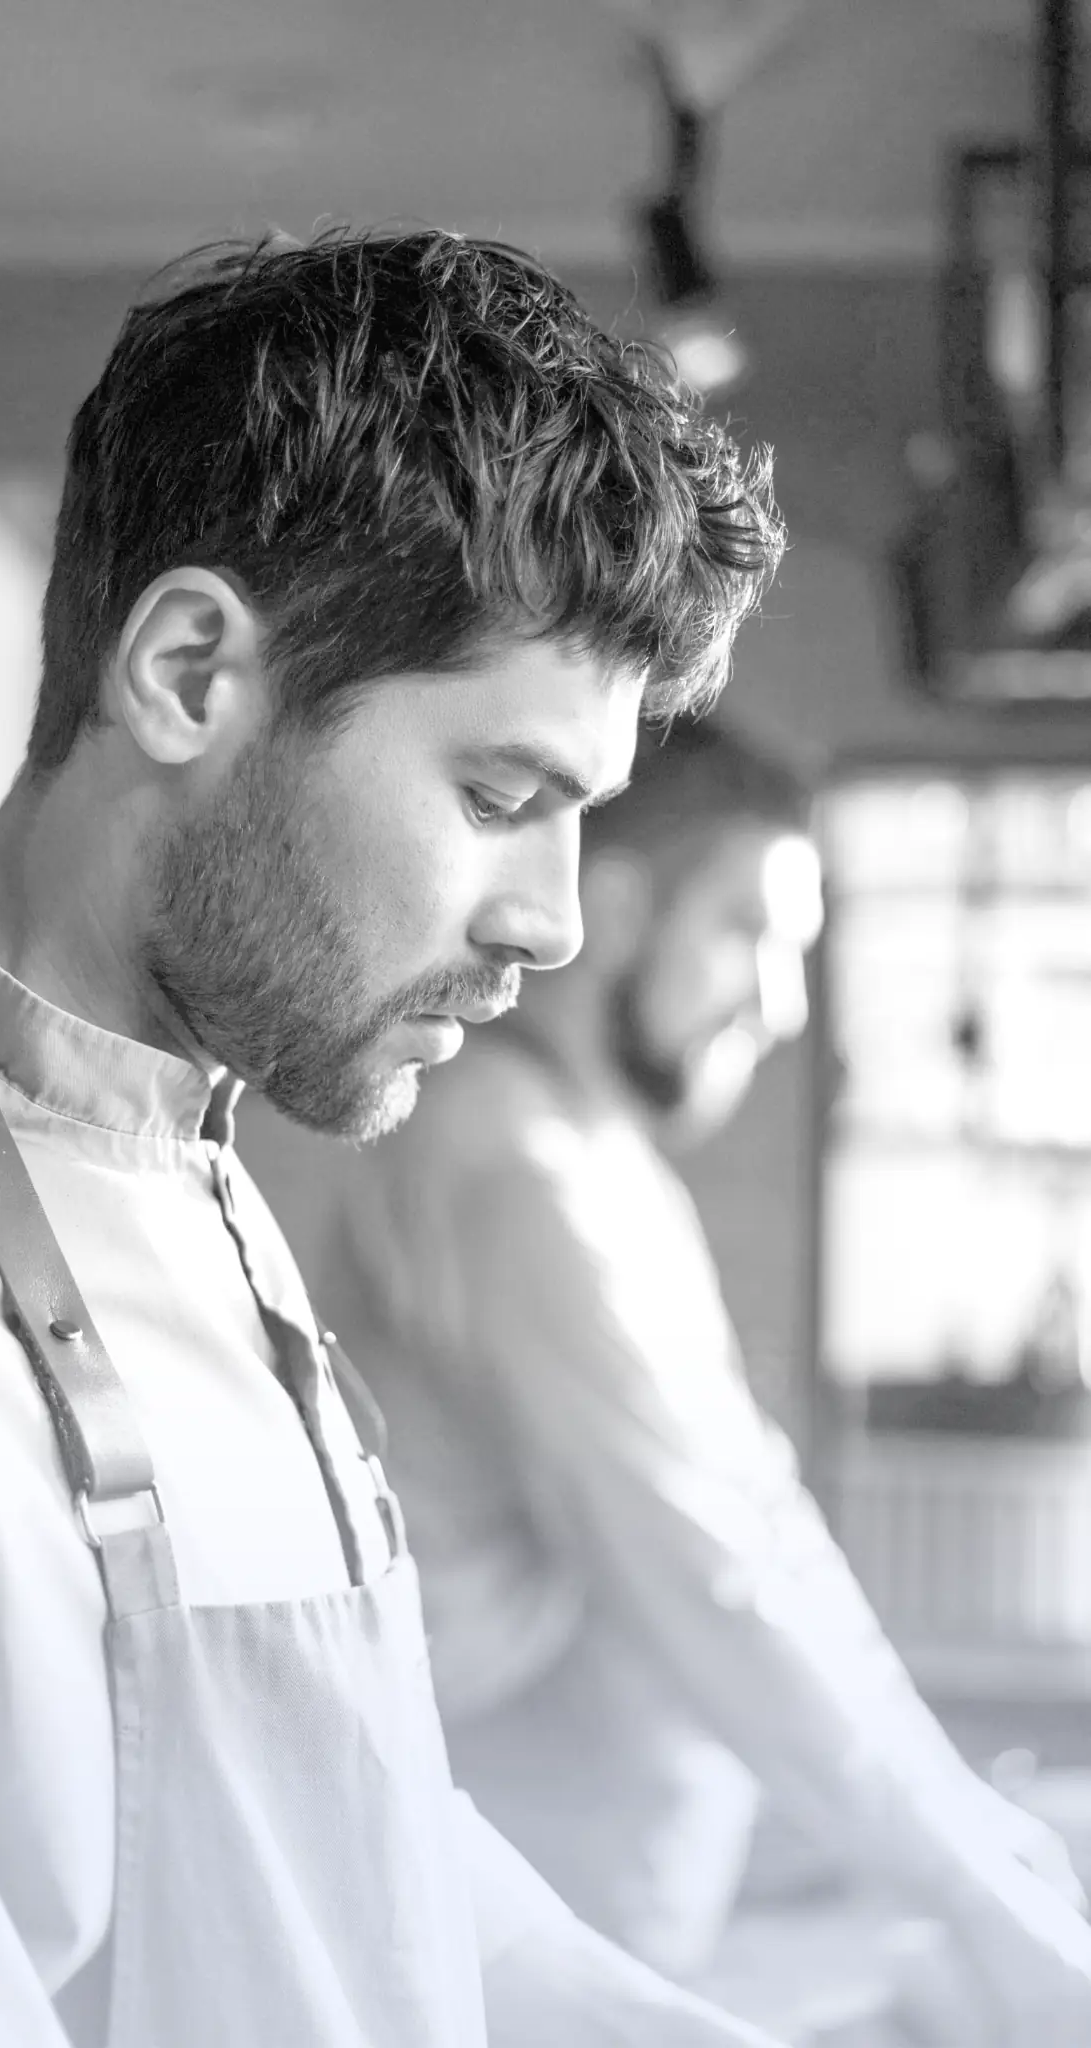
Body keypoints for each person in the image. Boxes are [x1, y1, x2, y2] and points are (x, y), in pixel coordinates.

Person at [0, 231, 794, 2048]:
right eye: (499, 797)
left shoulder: (181, 1171)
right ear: (192, 671)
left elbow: (355, 1859)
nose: (557, 922)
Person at [311, 714, 1091, 2046]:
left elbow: (770, 1538)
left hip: (637, 1920)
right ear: (615, 908)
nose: (783, 1005)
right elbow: (710, 1580)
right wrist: (974, 1893)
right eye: (751, 934)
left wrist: (973, 1836)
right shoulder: (515, 1180)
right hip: (510, 1964)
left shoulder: (598, 1161)